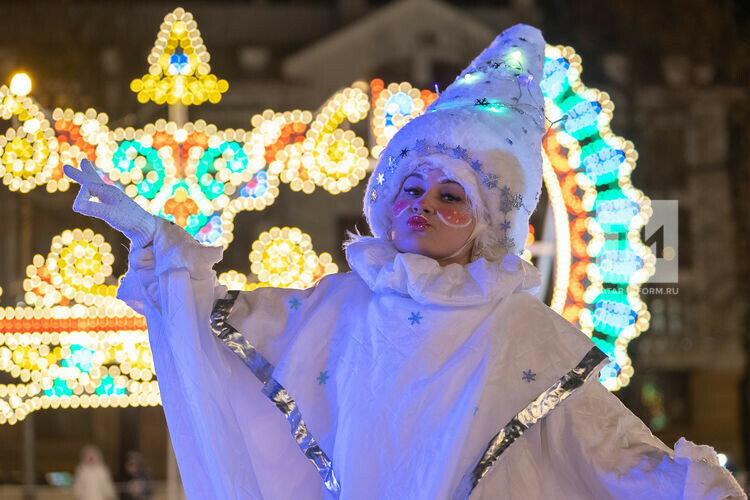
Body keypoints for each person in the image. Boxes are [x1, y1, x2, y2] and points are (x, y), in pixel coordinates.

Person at [63, 24, 746, 500]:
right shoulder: (340, 306)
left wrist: (694, 487)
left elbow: (610, 452)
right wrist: (159, 244)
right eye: (411, 188)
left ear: (489, 224)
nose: (422, 205)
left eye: (451, 195)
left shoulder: (522, 334)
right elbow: (215, 324)